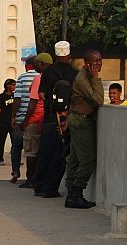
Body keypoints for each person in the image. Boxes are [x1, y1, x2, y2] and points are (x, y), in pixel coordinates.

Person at [33, 41, 78, 198]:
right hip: (65, 120)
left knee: (45, 152)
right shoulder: (74, 73)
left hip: (50, 118)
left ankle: (38, 185)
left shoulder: (48, 72)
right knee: (60, 155)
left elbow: (41, 95)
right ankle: (50, 188)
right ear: (69, 55)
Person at [65, 50, 104, 209]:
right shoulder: (82, 79)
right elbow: (99, 99)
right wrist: (96, 79)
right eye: (95, 62)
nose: (98, 64)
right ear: (87, 63)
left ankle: (71, 195)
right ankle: (76, 192)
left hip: (78, 119)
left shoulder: (84, 77)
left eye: (100, 60)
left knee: (74, 158)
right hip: (81, 120)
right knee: (87, 159)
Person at [18, 53, 51, 189]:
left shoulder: (38, 79)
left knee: (31, 151)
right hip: (46, 119)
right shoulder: (51, 77)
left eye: (36, 63)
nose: (34, 66)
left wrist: (25, 120)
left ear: (42, 64)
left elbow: (33, 102)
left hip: (35, 118)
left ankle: (30, 179)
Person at [8, 56, 36, 183]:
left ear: (28, 66)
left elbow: (17, 99)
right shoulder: (41, 77)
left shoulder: (22, 78)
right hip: (35, 119)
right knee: (33, 150)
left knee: (16, 147)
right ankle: (32, 175)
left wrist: (13, 116)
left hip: (21, 118)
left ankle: (15, 172)